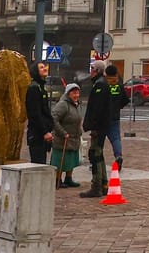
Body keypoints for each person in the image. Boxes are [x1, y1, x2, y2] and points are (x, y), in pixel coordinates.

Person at [81, 61, 117, 197]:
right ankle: (103, 184)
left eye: (92, 69)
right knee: (98, 154)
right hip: (101, 126)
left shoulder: (100, 85)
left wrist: (94, 127)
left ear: (97, 70)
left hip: (99, 127)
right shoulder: (100, 84)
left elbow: (97, 109)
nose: (90, 71)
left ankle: (97, 186)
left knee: (94, 154)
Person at [50, 82, 86, 188]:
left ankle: (68, 178)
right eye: (74, 93)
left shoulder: (76, 104)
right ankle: (57, 179)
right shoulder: (63, 104)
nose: (76, 95)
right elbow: (54, 118)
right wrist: (62, 132)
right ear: (68, 94)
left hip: (73, 137)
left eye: (77, 93)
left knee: (71, 158)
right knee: (60, 159)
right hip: (63, 138)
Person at [25, 60, 57, 166]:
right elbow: (35, 113)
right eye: (41, 67)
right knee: (37, 164)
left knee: (42, 163)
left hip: (42, 133)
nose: (45, 68)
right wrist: (44, 131)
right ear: (36, 71)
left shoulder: (41, 87)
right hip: (37, 134)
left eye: (45, 66)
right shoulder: (34, 88)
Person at [102, 63, 129, 171]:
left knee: (99, 139)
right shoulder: (119, 85)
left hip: (103, 116)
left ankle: (96, 160)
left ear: (106, 74)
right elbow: (125, 100)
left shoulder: (104, 85)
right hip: (115, 116)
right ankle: (118, 156)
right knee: (116, 138)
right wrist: (118, 106)